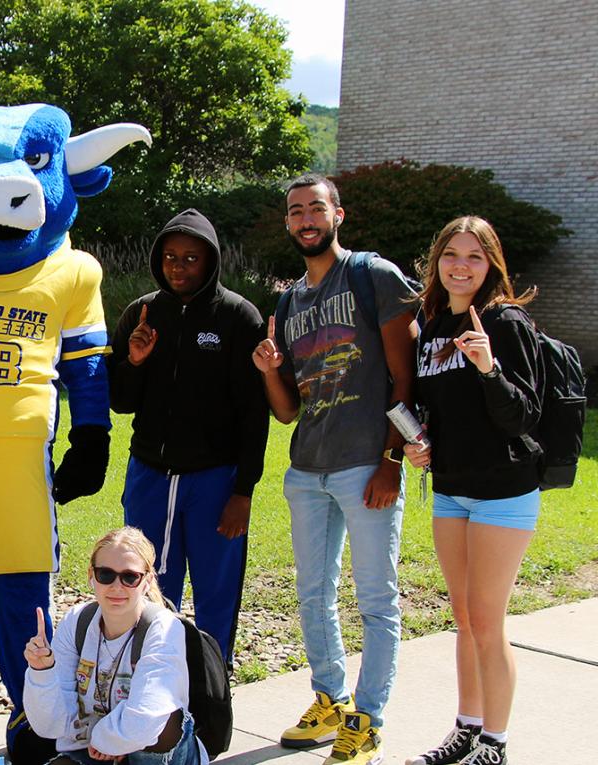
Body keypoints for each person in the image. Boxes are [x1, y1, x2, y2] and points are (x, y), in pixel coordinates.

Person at [252, 173, 417, 765]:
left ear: (337, 215)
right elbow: (288, 411)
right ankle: (330, 699)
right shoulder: (289, 301)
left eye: (315, 208)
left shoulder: (373, 276)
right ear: (288, 223)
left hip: (365, 466)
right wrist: (268, 370)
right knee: (313, 594)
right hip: (307, 471)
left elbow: (406, 378)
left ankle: (367, 721)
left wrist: (391, 461)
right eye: (295, 211)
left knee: (377, 601)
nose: (306, 219)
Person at [403, 217, 541, 765]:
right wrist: (418, 442)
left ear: (491, 265)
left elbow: (523, 415)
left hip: (503, 491)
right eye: (451, 254)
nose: (461, 266)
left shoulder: (505, 322)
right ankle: (467, 728)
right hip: (451, 488)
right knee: (463, 620)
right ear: (437, 261)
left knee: (487, 622)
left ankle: (495, 743)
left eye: (474, 257)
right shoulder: (433, 325)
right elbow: (438, 409)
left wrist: (488, 367)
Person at [107, 208, 268, 662]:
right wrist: (134, 362)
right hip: (150, 475)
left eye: (191, 258)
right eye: (170, 257)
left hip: (215, 479)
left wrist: (243, 491)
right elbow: (120, 401)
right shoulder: (142, 314)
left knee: (217, 588)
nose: (179, 267)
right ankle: (151, 676)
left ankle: (213, 682)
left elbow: (254, 413)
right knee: (149, 583)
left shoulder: (238, 316)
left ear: (211, 261)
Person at [22, 526, 208, 765]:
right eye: (106, 574)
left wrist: (107, 740)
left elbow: (148, 715)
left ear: (147, 581)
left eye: (130, 577)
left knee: (164, 719)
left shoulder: (163, 628)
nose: (117, 587)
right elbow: (51, 725)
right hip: (92, 750)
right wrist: (41, 672)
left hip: (150, 753)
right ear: (91, 575)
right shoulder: (77, 622)